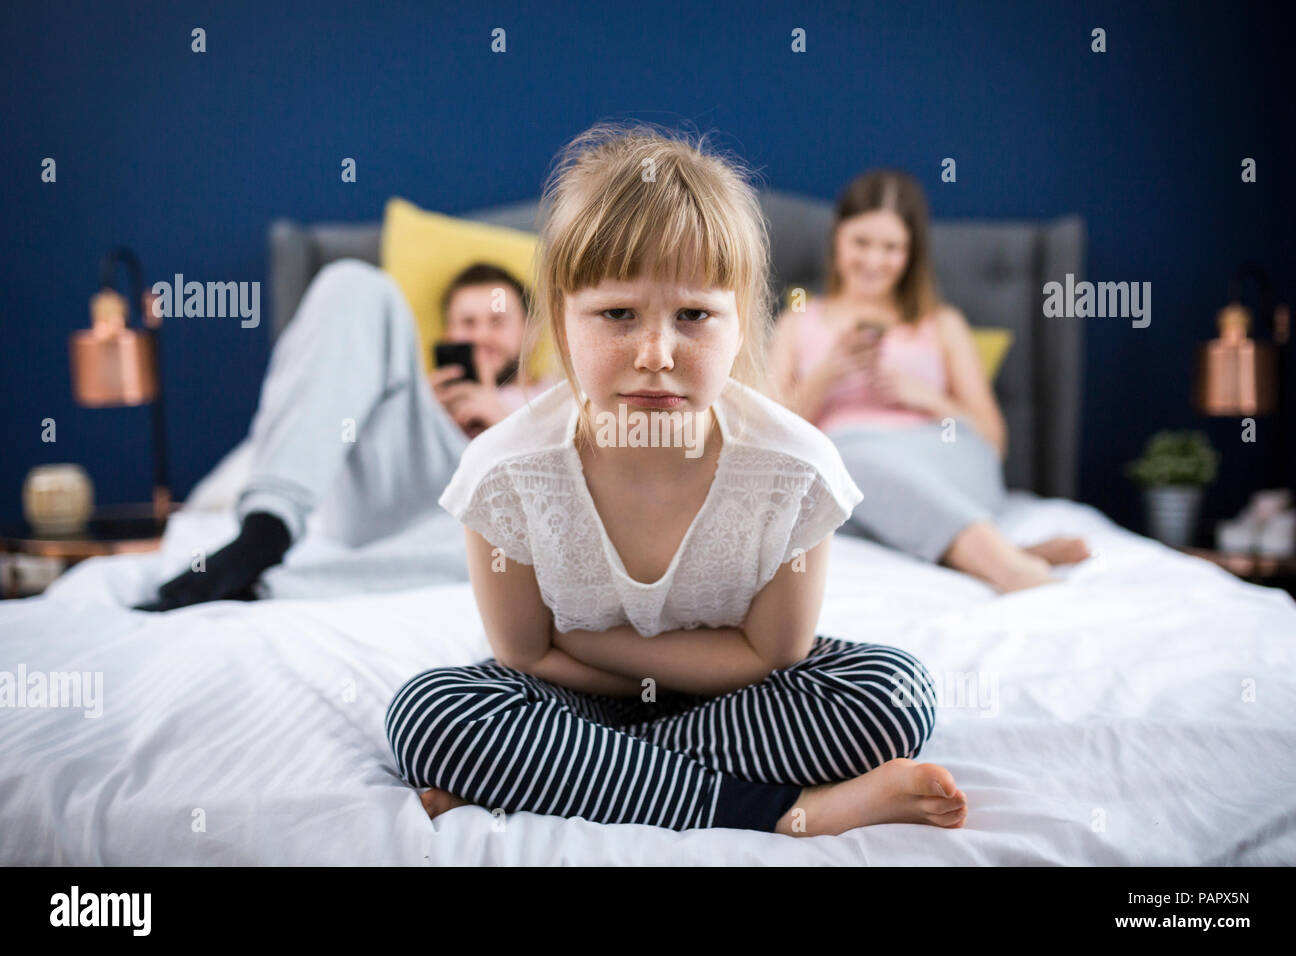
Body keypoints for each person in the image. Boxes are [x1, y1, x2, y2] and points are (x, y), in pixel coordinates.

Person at [385, 123, 967, 837]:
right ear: (562, 325)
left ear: (740, 320)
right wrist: (564, 660)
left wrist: (578, 646)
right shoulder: (505, 472)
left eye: (694, 315)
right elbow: (522, 657)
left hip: (744, 703)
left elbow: (771, 656)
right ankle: (787, 810)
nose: (656, 352)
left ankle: (554, 780)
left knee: (892, 696)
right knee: (430, 714)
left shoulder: (796, 468)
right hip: (572, 702)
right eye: (617, 314)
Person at [135, 260, 552, 611]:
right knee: (355, 282)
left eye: (496, 321)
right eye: (467, 323)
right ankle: (268, 527)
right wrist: (420, 405)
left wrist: (503, 423)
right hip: (391, 485)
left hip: (462, 516)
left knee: (514, 543)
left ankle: (261, 587)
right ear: (445, 334)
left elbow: (572, 499)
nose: (479, 335)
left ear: (527, 331)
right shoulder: (410, 389)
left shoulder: (553, 398)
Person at [766, 169, 1089, 592]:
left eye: (892, 247)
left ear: (911, 252)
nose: (874, 260)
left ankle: (996, 560)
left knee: (849, 472)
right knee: (841, 469)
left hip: (945, 458)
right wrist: (829, 374)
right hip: (848, 471)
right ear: (837, 238)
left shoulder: (943, 323)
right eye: (861, 242)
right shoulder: (798, 321)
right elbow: (770, 437)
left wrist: (922, 396)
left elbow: (993, 438)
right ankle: (999, 553)